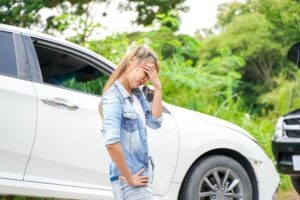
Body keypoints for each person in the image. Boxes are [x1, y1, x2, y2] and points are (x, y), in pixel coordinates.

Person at [98, 45, 163, 200]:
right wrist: (129, 177)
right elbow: (111, 143)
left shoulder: (137, 94)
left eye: (149, 76)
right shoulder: (114, 97)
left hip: (141, 176)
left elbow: (155, 122)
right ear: (132, 61)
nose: (145, 79)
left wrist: (158, 88)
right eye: (145, 72)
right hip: (130, 181)